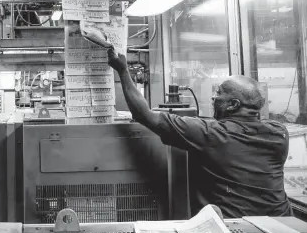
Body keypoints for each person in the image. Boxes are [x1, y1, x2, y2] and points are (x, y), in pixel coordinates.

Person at [107, 48, 292, 218]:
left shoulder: (210, 134)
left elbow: (143, 115)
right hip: (282, 225)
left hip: (234, 228)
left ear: (233, 104)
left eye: (219, 93)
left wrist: (123, 71)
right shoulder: (279, 133)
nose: (213, 97)